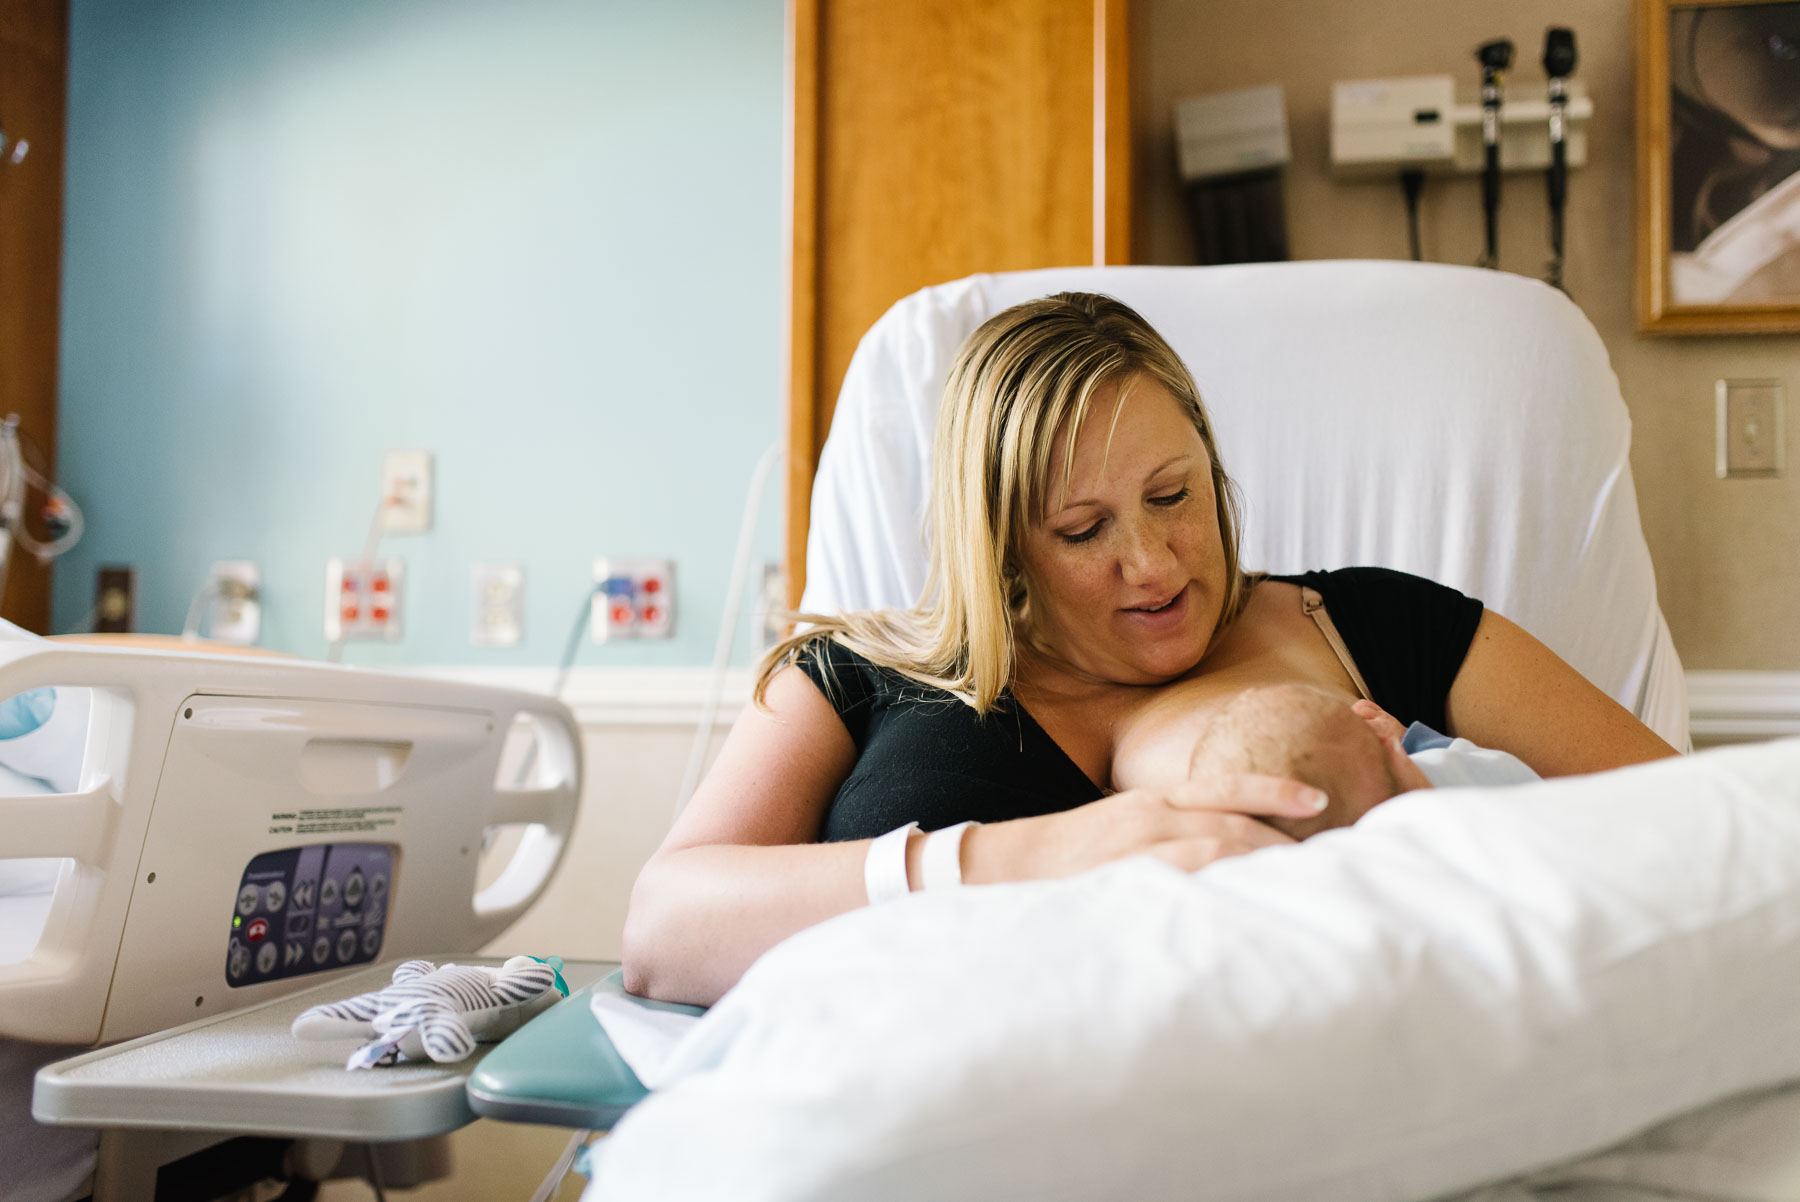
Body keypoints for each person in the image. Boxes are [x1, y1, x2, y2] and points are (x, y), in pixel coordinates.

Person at [621, 292, 1677, 1007]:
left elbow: (1690, 820)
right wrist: (1023, 855)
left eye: (1174, 495)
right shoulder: (857, 672)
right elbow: (663, 927)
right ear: (1004, 549)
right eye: (1083, 531)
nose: (1153, 560)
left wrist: (1426, 832)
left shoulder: (1367, 628)